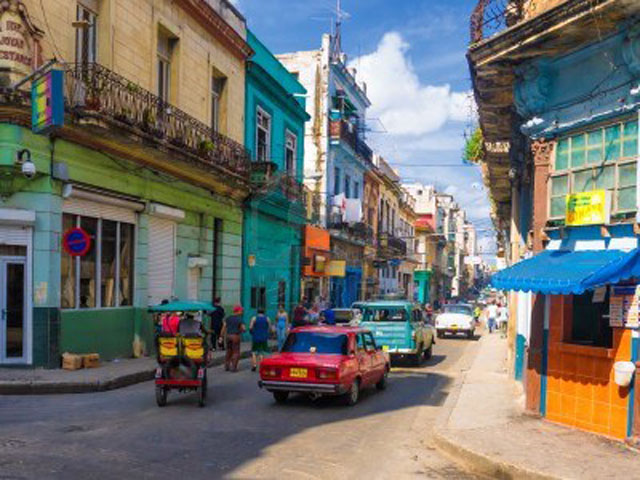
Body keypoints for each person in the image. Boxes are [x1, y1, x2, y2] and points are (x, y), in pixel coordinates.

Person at [221, 305, 245, 372]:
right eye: (241, 311)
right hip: (235, 336)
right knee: (236, 352)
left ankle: (227, 366)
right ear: (238, 311)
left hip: (228, 336)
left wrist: (221, 336)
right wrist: (242, 330)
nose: (242, 312)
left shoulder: (228, 318)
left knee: (228, 351)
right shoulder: (240, 319)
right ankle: (234, 367)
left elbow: (223, 328)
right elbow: (243, 328)